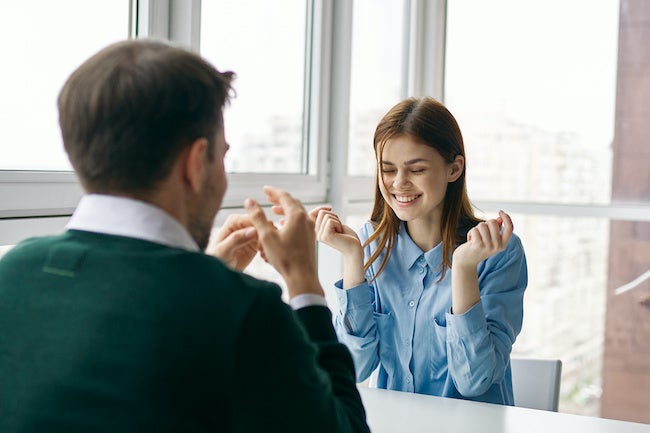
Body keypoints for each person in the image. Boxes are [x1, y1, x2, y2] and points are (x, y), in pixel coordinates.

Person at [0, 39, 369, 433]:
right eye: (222, 156)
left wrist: (206, 274)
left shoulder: (13, 274)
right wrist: (304, 284)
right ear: (195, 163)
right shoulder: (244, 311)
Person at [312, 97, 528, 405]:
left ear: (454, 169)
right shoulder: (371, 244)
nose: (399, 184)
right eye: (388, 169)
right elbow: (356, 368)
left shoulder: (499, 253)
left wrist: (464, 269)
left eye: (416, 169)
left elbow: (475, 380)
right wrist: (351, 260)